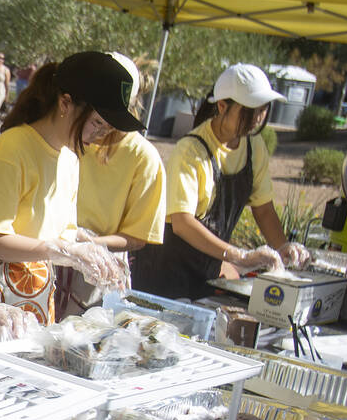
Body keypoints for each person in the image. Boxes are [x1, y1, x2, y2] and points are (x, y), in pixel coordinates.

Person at [0, 52, 138, 325]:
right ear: (65, 102)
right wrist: (64, 251)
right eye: (97, 123)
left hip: (35, 298)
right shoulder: (11, 150)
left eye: (107, 128)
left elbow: (55, 231)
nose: (100, 135)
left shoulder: (70, 159)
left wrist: (90, 249)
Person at [131, 63, 310, 301]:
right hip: (164, 275)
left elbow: (264, 210)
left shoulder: (255, 147)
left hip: (206, 273)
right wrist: (239, 256)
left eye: (263, 109)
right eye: (250, 110)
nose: (258, 118)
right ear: (222, 105)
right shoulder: (190, 150)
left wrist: (282, 246)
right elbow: (182, 223)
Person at [66, 52, 167, 313]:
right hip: (49, 254)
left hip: (98, 270)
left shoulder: (143, 157)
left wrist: (85, 245)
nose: (97, 129)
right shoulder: (65, 137)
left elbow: (136, 237)